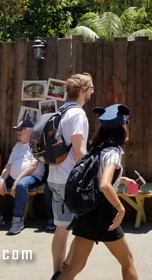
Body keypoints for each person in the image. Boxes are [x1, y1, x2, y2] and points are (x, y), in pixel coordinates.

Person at [58, 104, 138, 280]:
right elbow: (104, 185)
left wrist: (122, 179)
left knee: (75, 266)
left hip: (88, 211)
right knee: (127, 261)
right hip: (105, 212)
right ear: (123, 126)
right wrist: (120, 209)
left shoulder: (98, 149)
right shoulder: (114, 153)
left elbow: (98, 177)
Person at [49, 73, 94, 275]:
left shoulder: (60, 112)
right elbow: (79, 152)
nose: (93, 90)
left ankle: (57, 272)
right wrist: (90, 176)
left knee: (61, 229)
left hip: (54, 178)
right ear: (82, 90)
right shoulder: (77, 114)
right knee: (83, 228)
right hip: (71, 181)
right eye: (91, 87)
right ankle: (65, 274)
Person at [0, 119, 45, 235]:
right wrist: (2, 180)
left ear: (30, 131)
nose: (18, 132)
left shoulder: (36, 144)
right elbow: (8, 165)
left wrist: (17, 180)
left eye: (21, 130)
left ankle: (17, 222)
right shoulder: (17, 146)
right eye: (17, 130)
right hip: (12, 178)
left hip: (32, 177)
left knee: (20, 185)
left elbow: (33, 165)